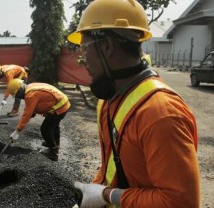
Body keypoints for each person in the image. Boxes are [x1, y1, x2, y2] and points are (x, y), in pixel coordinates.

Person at [67, 0, 200, 207]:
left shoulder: (161, 114)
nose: (83, 58)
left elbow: (180, 202)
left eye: (84, 48)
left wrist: (106, 195)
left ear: (107, 46)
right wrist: (93, 192)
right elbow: (113, 167)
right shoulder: (110, 100)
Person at [6, 78, 70, 161]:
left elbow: (27, 114)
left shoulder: (30, 95)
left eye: (17, 95)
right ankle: (54, 144)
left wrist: (18, 131)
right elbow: (38, 102)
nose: (18, 97)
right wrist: (33, 112)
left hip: (60, 107)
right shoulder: (30, 87)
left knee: (45, 129)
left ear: (19, 91)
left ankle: (53, 154)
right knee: (54, 126)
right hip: (62, 103)